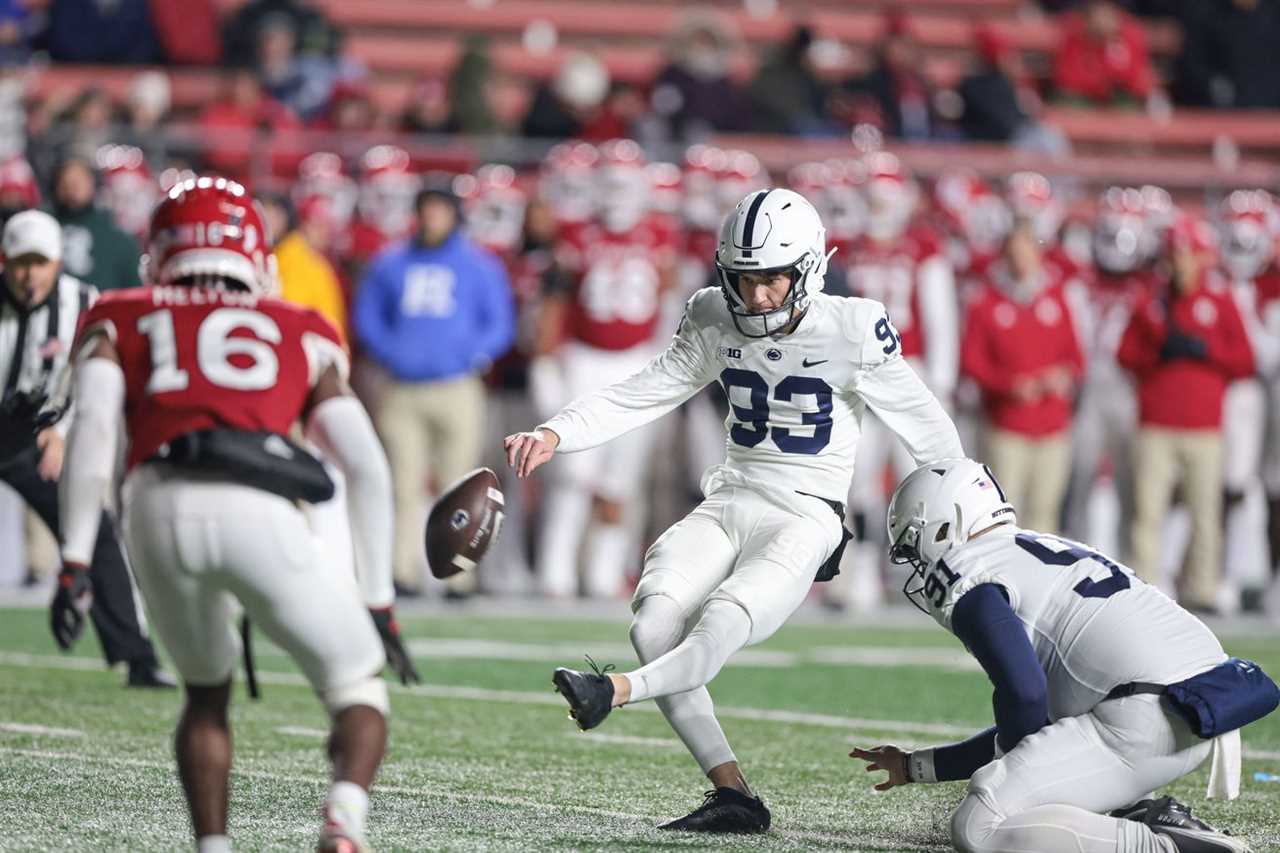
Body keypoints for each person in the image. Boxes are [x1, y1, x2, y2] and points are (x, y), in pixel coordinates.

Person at [507, 188, 963, 832]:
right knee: (652, 620)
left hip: (806, 511)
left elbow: (928, 428)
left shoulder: (853, 325)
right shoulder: (710, 314)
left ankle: (612, 691)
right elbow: (648, 390)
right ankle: (734, 795)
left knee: (721, 618)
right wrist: (558, 431)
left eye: (772, 280)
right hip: (732, 493)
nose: (756, 298)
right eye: (743, 281)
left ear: (810, 268)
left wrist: (967, 518)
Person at [58, 176, 414, 852]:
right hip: (263, 510)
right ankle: (343, 816)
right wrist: (378, 597)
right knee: (356, 687)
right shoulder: (301, 327)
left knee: (204, 693)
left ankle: (213, 845)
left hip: (155, 508)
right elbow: (366, 464)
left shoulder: (120, 312)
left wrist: (76, 556)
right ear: (256, 254)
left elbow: (95, 428)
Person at [852, 457, 1271, 853]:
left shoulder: (966, 569)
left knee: (977, 825)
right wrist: (913, 766)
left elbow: (1026, 694)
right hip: (1203, 708)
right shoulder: (1038, 551)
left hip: (1142, 721)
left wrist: (1007, 774)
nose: (919, 563)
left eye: (913, 545)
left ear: (943, 526)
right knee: (1037, 773)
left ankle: (1165, 845)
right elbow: (1042, 726)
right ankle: (1145, 813)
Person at [0, 209, 170, 687]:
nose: (29, 274)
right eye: (19, 263)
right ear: (5, 261)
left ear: (57, 264)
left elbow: (96, 381)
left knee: (93, 529)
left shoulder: (86, 304)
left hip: (40, 433)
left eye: (40, 262)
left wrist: (65, 430)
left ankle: (137, 656)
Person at [354, 182, 514, 596]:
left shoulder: (478, 265)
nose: (431, 218)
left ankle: (460, 574)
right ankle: (401, 570)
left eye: (439, 210)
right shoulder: (390, 262)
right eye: (426, 209)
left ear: (454, 215)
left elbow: (499, 322)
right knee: (402, 483)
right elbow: (367, 317)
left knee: (461, 485)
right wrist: (394, 354)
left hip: (456, 385)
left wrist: (471, 354)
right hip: (403, 387)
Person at [1117, 215, 1254, 611]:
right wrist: (1155, 354)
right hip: (1156, 423)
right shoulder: (1150, 302)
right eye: (1175, 254)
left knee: (1205, 513)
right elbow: (1125, 354)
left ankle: (1202, 587)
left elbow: (1245, 360)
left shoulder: (1220, 300)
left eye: (1186, 254)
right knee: (1148, 511)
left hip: (1203, 426)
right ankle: (1144, 583)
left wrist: (1206, 352)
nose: (1180, 263)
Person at [961, 218, 1085, 535]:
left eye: (1027, 250)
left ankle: (1040, 582)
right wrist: (1008, 385)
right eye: (1014, 251)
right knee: (1003, 514)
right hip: (1007, 425)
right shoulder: (987, 301)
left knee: (1045, 514)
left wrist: (1062, 376)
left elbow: (1075, 356)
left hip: (1051, 424)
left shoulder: (1056, 297)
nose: (1021, 258)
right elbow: (971, 362)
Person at [49, 156, 142, 292]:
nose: (71, 188)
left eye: (77, 182)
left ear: (93, 183)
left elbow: (134, 292)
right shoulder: (44, 227)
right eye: (65, 182)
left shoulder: (117, 236)